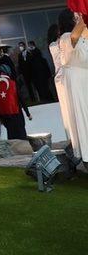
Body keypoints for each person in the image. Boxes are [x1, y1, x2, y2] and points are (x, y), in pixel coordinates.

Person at [59, 10, 88, 162]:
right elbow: (74, 37)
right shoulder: (65, 38)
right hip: (78, 85)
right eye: (76, 17)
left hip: (85, 80)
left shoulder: (84, 35)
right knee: (84, 120)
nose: (79, 19)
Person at [48, 18, 79, 149]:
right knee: (71, 108)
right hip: (64, 75)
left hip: (60, 77)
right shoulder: (60, 43)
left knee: (68, 109)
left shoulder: (53, 44)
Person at [0, 68, 32, 140]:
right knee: (21, 133)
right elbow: (21, 99)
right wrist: (28, 113)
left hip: (3, 114)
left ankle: (13, 149)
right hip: (15, 113)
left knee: (10, 134)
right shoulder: (12, 83)